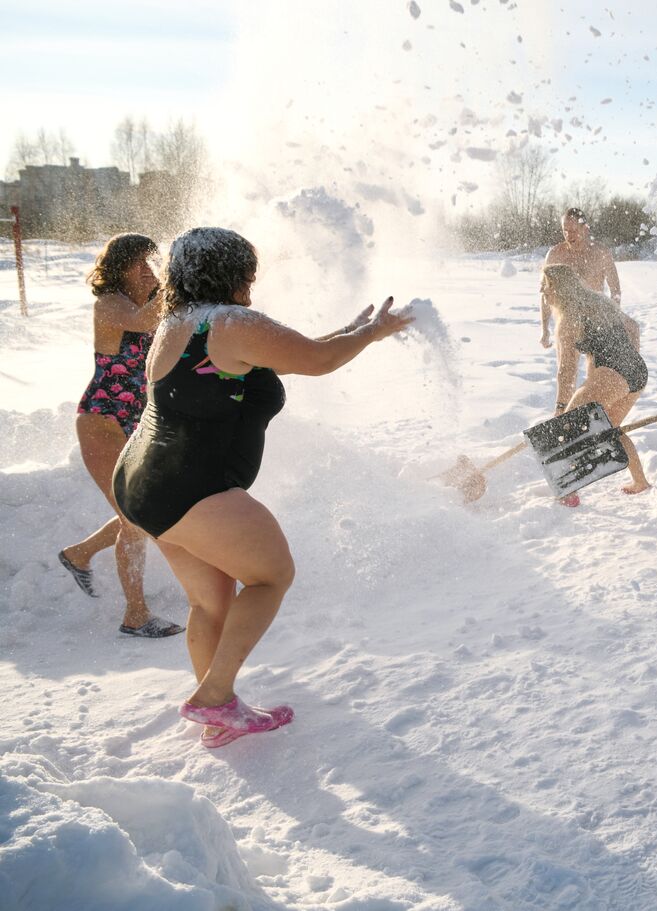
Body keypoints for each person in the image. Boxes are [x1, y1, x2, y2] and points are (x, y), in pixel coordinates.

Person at [111, 227, 412, 748]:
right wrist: (373, 334)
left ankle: (216, 710)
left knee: (211, 603)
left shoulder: (179, 321)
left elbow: (298, 352)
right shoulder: (231, 322)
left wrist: (353, 329)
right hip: (190, 487)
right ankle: (215, 697)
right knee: (272, 577)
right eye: (247, 273)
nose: (253, 283)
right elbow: (318, 363)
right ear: (230, 274)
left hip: (142, 481)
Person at [58, 233, 184, 638]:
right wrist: (179, 282)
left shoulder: (149, 304)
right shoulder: (110, 303)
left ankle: (79, 554)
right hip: (102, 420)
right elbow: (143, 322)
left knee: (143, 510)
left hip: (135, 419)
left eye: (154, 264)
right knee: (135, 518)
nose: (150, 272)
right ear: (121, 268)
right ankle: (135, 615)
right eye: (142, 265)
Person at [541, 263, 651, 503]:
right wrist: (627, 360)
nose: (543, 293)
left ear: (560, 289)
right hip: (637, 371)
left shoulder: (568, 319)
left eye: (546, 287)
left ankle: (568, 489)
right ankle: (640, 481)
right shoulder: (597, 301)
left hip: (615, 373)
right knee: (610, 428)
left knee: (568, 426)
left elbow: (567, 372)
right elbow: (632, 327)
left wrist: (561, 409)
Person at [540, 207, 621, 348]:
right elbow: (545, 294)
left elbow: (615, 292)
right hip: (566, 320)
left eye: (573, 231)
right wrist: (545, 329)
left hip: (596, 319)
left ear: (585, 228)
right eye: (565, 230)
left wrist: (613, 324)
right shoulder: (555, 255)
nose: (569, 236)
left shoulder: (601, 253)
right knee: (566, 370)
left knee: (598, 369)